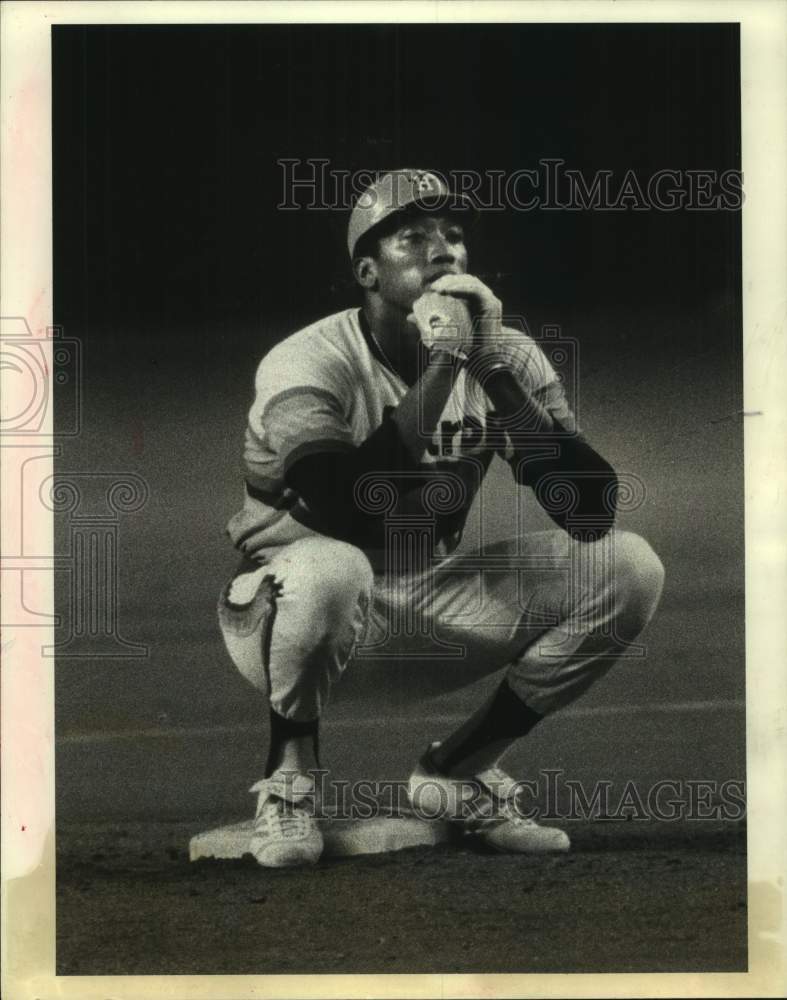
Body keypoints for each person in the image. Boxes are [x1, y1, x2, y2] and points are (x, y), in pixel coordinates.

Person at [218, 169, 665, 868]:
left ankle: (457, 772)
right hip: (284, 616)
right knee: (333, 566)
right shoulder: (306, 361)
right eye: (413, 235)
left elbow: (587, 510)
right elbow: (349, 506)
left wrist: (489, 368)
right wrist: (446, 364)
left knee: (627, 567)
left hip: (423, 607)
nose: (443, 249)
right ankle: (289, 782)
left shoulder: (503, 353)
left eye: (453, 234)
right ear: (367, 270)